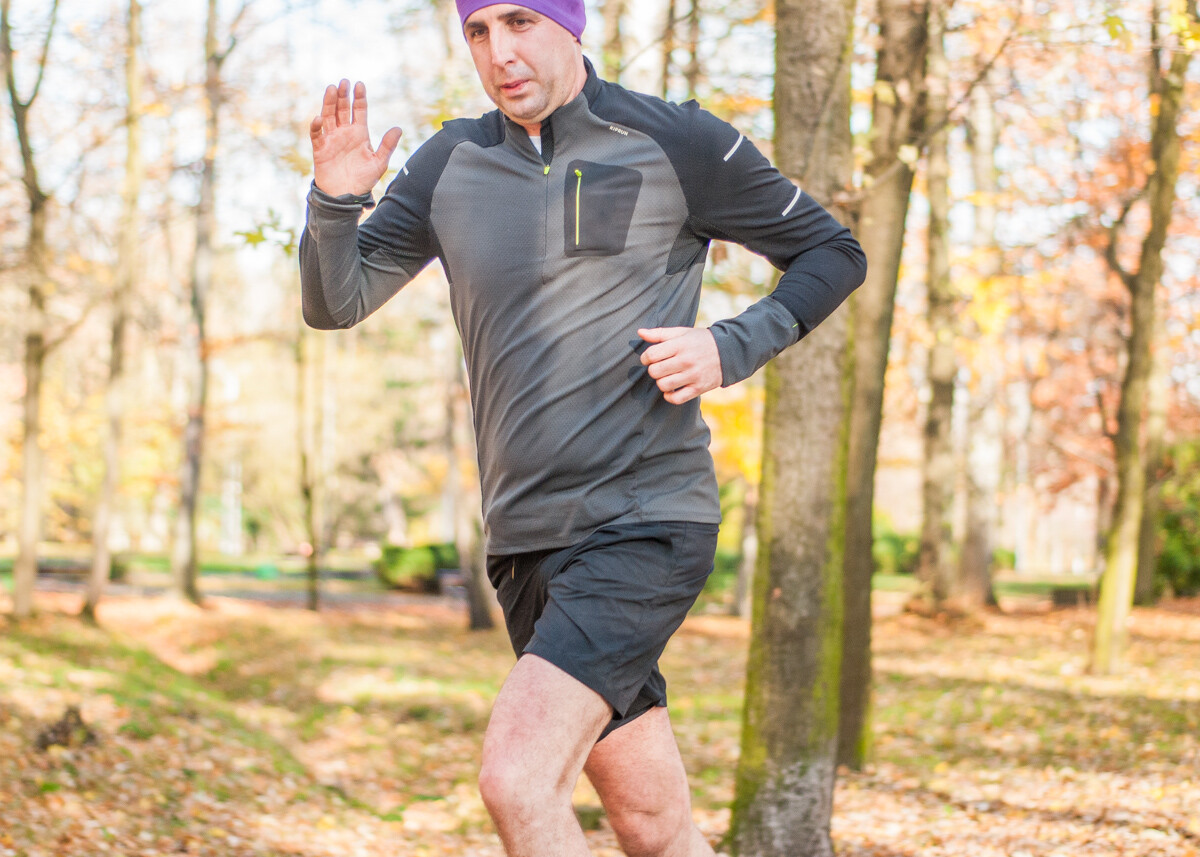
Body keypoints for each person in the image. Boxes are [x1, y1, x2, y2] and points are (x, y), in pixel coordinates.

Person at [300, 2, 866, 854]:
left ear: (572, 26)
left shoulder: (676, 141)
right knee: (650, 821)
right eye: (479, 31)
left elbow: (832, 251)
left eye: (522, 21)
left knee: (518, 780)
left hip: (642, 520)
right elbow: (334, 302)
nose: (501, 51)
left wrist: (731, 344)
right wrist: (335, 204)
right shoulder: (451, 161)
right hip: (525, 539)